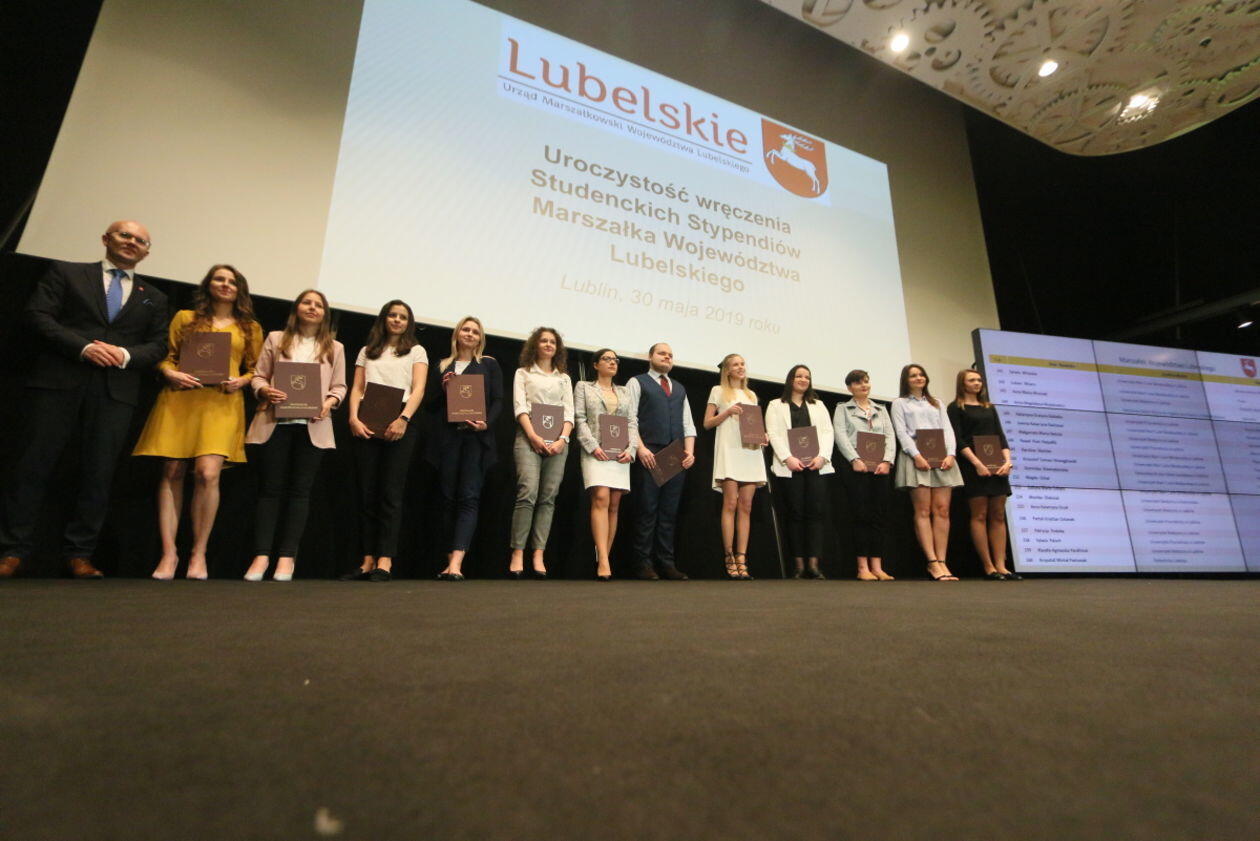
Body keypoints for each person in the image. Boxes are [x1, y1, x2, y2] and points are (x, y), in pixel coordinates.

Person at [0, 220, 168, 579]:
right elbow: (37, 315)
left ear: (146, 253)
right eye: (125, 235)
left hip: (115, 392)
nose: (132, 242)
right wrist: (84, 347)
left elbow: (157, 346)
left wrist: (124, 355)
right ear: (106, 239)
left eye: (140, 240)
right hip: (58, 382)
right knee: (33, 466)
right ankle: (11, 551)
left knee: (99, 474)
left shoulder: (154, 296)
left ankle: (80, 554)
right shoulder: (67, 273)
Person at [132, 264, 262, 580]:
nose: (225, 284)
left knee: (207, 473)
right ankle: (169, 554)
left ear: (240, 290)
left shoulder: (249, 327)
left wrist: (242, 381)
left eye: (232, 281)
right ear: (208, 284)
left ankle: (198, 554)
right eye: (219, 279)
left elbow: (256, 369)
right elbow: (167, 357)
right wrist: (169, 373)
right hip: (181, 399)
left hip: (221, 403)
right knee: (172, 471)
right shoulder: (185, 318)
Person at [243, 289, 346, 582]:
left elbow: (339, 386)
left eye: (318, 305)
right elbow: (259, 376)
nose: (312, 308)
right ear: (296, 308)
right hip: (275, 423)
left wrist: (328, 403)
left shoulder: (335, 347)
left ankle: (287, 557)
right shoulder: (276, 339)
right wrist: (264, 390)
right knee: (270, 490)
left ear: (325, 313)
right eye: (307, 302)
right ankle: (261, 555)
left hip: (312, 426)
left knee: (301, 492)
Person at [341, 300, 428, 582]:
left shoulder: (416, 351)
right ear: (384, 318)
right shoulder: (368, 350)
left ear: (408, 323)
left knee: (391, 493)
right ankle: (367, 559)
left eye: (403, 317)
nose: (397, 320)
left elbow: (418, 388)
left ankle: (385, 560)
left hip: (400, 421)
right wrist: (353, 418)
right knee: (367, 492)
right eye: (392, 315)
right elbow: (357, 388)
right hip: (367, 420)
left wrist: (404, 419)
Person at [426, 316, 502, 581]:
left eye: (475, 331)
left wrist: (485, 423)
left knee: (469, 497)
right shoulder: (442, 366)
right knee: (447, 498)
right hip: (447, 439)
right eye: (465, 330)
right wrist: (443, 387)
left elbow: (498, 400)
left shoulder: (488, 364)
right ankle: (449, 562)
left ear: (481, 338)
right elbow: (430, 405)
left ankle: (457, 562)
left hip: (476, 440)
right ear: (457, 334)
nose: (470, 334)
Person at [626, 342, 696, 580]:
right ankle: (642, 563)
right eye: (662, 353)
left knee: (669, 512)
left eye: (670, 355)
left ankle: (666, 562)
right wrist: (641, 449)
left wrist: (689, 452)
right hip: (650, 453)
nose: (667, 357)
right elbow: (630, 418)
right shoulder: (637, 382)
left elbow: (688, 424)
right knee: (647, 510)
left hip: (675, 455)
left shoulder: (679, 388)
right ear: (650, 357)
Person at [508, 327, 574, 579]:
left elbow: (569, 413)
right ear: (535, 345)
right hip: (528, 439)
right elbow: (520, 407)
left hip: (558, 443)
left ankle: (538, 554)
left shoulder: (564, 378)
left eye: (552, 342)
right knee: (528, 493)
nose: (548, 345)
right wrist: (533, 436)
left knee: (548, 497)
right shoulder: (523, 373)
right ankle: (517, 552)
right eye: (544, 341)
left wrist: (562, 439)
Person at [891, 363, 963, 581]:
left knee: (942, 510)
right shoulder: (899, 403)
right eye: (913, 375)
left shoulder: (937, 402)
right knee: (923, 510)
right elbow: (901, 433)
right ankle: (932, 562)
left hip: (942, 457)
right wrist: (916, 455)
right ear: (906, 380)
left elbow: (948, 430)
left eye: (921, 374)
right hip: (917, 458)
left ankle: (942, 561)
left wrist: (951, 454)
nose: (918, 378)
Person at [573, 348, 639, 580]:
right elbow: (579, 418)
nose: (612, 363)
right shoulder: (584, 387)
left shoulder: (624, 391)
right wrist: (592, 446)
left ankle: (605, 557)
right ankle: (602, 558)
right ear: (595, 364)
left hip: (620, 452)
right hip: (596, 451)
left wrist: (631, 449)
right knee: (600, 497)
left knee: (614, 503)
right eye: (607, 359)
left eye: (615, 360)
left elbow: (631, 422)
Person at [948, 368, 1019, 580]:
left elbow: (1001, 437)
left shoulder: (989, 407)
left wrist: (1007, 461)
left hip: (997, 465)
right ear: (962, 384)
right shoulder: (955, 407)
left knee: (998, 515)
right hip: (973, 466)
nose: (977, 383)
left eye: (979, 380)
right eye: (972, 380)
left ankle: (1001, 566)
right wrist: (977, 463)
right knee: (979, 515)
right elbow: (958, 440)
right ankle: (988, 566)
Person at [766, 364, 834, 579]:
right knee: (795, 513)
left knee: (815, 513)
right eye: (799, 376)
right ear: (790, 379)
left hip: (816, 466)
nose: (803, 380)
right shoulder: (775, 405)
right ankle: (799, 565)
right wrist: (788, 458)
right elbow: (773, 434)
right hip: (790, 467)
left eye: (807, 377)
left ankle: (814, 565)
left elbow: (828, 432)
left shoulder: (818, 405)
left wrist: (822, 457)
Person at [703, 353, 767, 579]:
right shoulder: (718, 391)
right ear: (727, 370)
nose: (741, 367)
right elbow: (707, 423)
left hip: (750, 452)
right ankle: (728, 555)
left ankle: (742, 557)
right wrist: (728, 412)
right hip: (730, 450)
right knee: (730, 503)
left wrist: (763, 436)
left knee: (746, 506)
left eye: (742, 364)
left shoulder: (751, 395)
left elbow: (754, 424)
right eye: (735, 364)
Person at [833, 369, 897, 581]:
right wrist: (854, 459)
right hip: (857, 468)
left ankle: (877, 566)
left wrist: (887, 461)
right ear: (849, 387)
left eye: (866, 381)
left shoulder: (881, 409)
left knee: (878, 515)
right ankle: (862, 567)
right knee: (860, 515)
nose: (864, 385)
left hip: (880, 468)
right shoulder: (843, 408)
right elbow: (840, 435)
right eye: (858, 382)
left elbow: (890, 436)